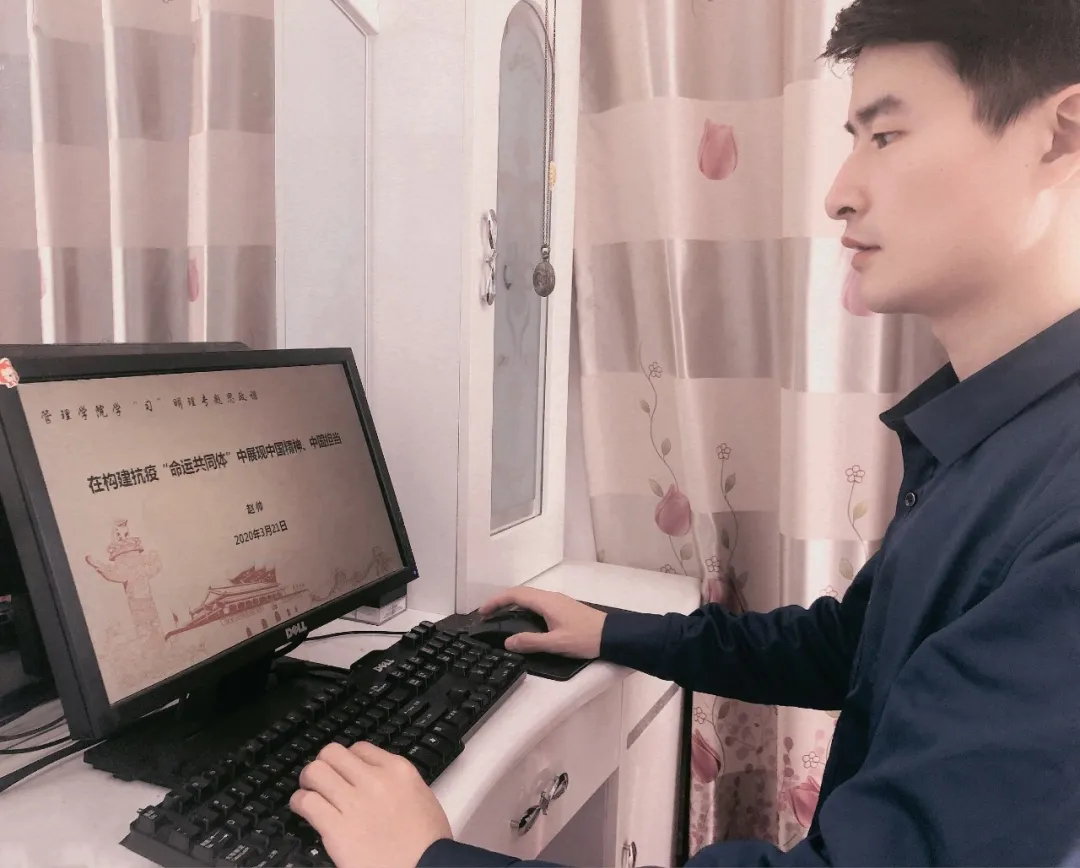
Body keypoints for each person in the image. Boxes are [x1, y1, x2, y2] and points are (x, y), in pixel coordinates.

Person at [287, 0, 1080, 864]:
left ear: (1061, 133)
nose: (839, 193)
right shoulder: (995, 436)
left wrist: (425, 860)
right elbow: (851, 647)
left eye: (885, 136)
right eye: (854, 139)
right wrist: (615, 632)